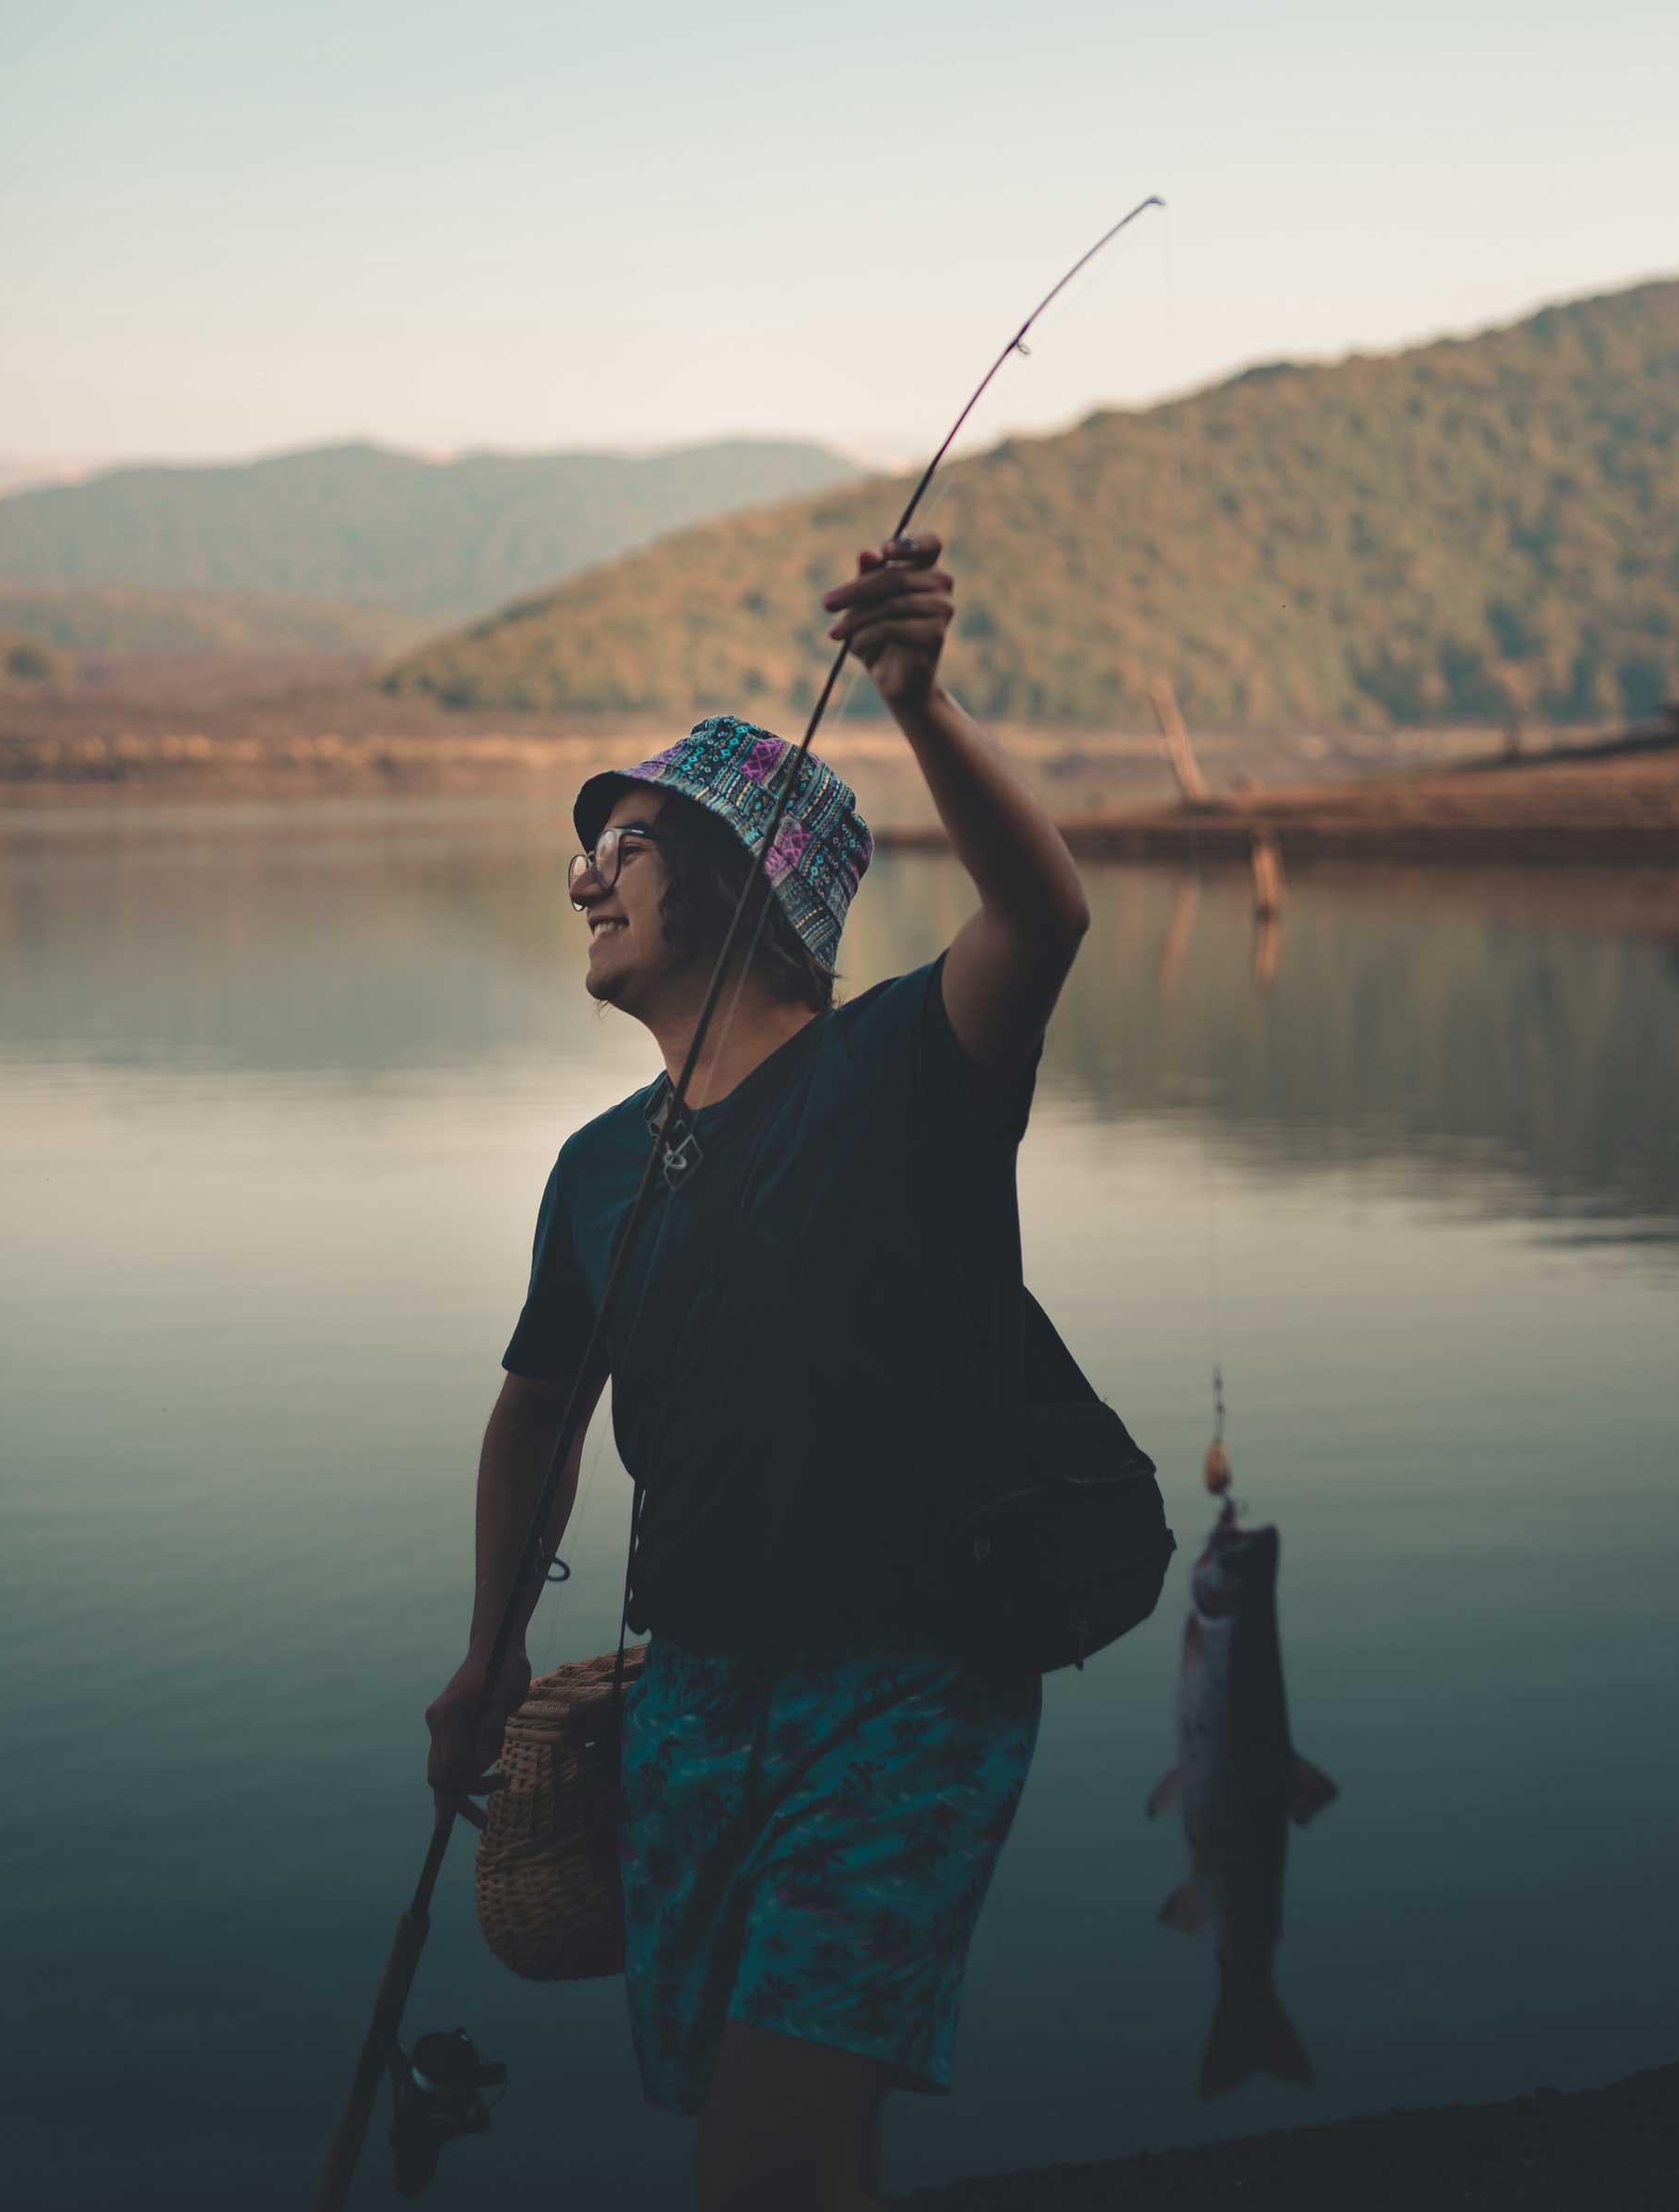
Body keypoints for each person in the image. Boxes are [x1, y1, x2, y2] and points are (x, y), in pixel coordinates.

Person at [426, 531, 1090, 2212]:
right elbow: (537, 1412)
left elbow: (1044, 913)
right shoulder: (595, 1167)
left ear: (738, 879)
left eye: (625, 846)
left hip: (906, 1691)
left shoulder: (905, 1070)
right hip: (691, 1704)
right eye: (586, 852)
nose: (583, 881)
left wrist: (917, 700)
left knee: (762, 2153)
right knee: (800, 2143)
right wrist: (491, 1645)